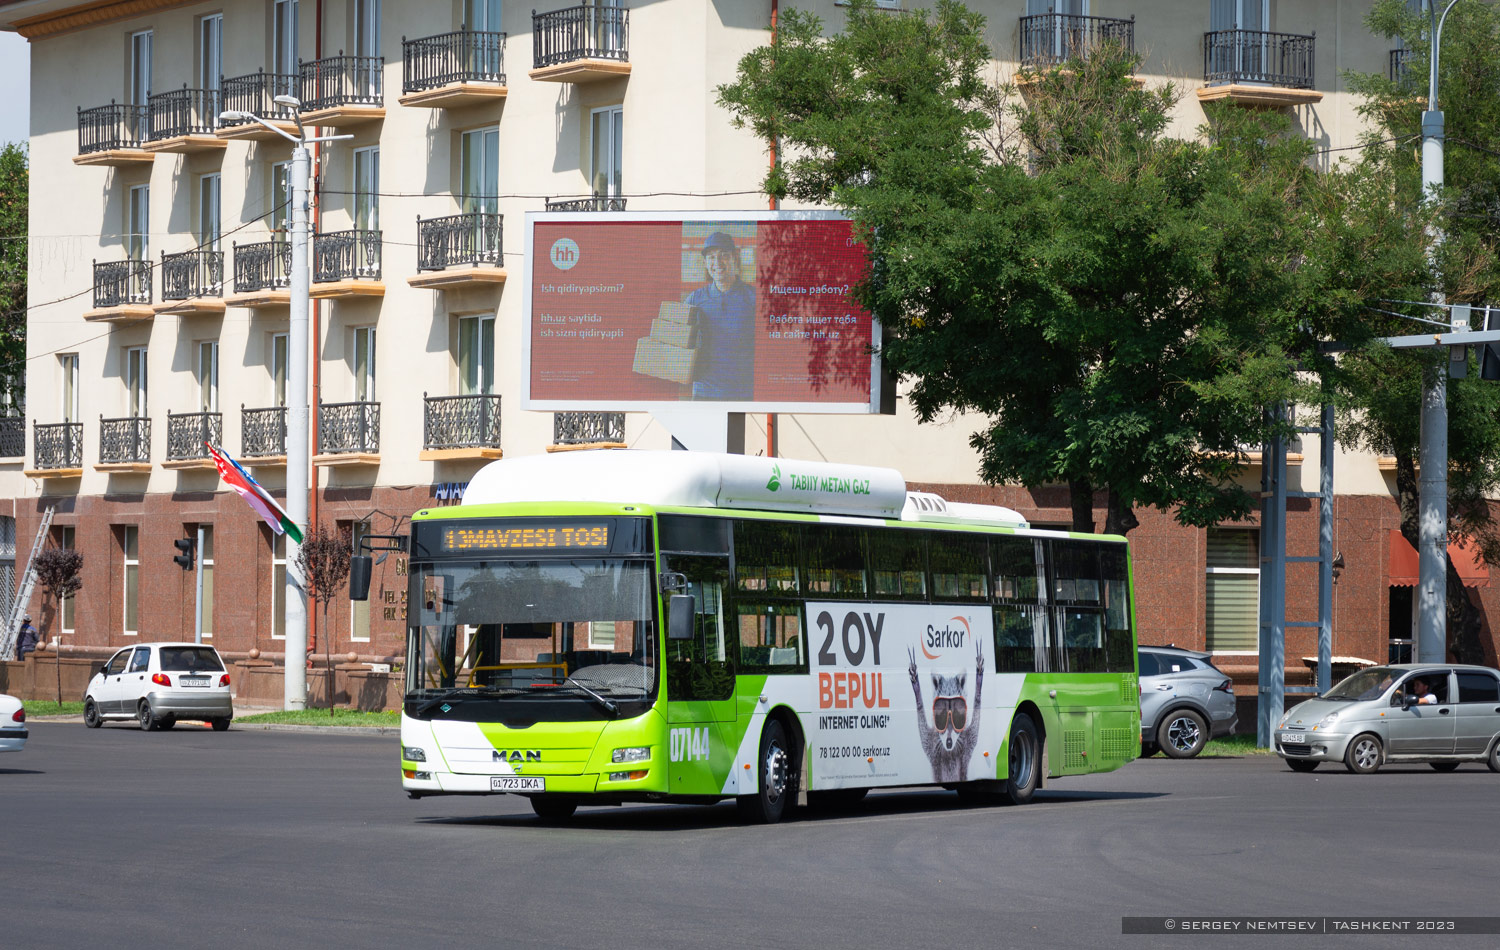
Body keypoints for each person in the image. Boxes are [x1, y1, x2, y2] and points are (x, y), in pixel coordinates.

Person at [685, 231, 756, 401]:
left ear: (734, 258)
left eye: (723, 255)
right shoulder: (695, 300)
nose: (717, 262)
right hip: (704, 393)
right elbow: (674, 340)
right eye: (711, 257)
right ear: (705, 262)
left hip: (742, 392)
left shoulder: (753, 298)